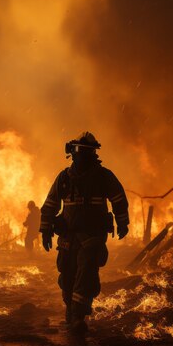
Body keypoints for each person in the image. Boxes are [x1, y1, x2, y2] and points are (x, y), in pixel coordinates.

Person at [40, 131, 129, 334]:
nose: (81, 155)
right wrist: (45, 230)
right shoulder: (64, 177)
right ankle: (70, 310)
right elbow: (50, 204)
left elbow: (119, 199)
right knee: (67, 273)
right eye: (78, 151)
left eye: (85, 152)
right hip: (68, 235)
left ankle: (79, 316)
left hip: (93, 235)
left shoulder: (104, 177)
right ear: (72, 152)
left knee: (87, 272)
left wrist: (123, 222)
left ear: (93, 153)